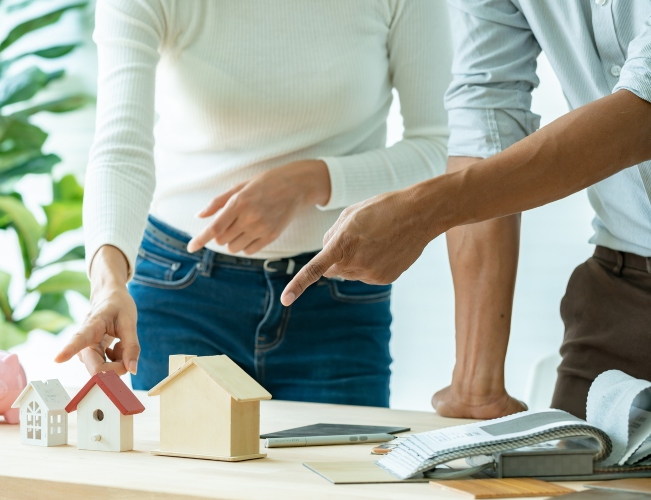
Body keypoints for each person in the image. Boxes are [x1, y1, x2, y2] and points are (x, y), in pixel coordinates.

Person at [54, 0, 452, 406]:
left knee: (340, 469)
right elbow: (121, 149)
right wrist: (108, 283)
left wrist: (311, 181)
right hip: (181, 291)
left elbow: (438, 147)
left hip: (336, 294)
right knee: (181, 469)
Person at [282, 2, 651, 418]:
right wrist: (477, 384)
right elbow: (486, 112)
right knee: (564, 478)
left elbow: (642, 115)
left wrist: (421, 212)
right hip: (621, 286)